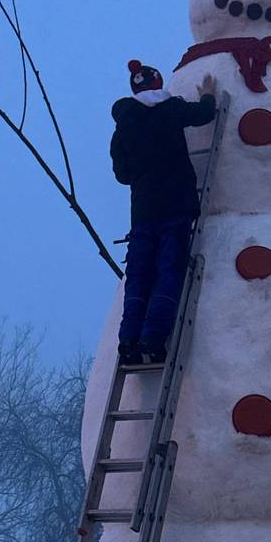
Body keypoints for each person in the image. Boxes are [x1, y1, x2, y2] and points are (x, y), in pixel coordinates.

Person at [111, 59, 217, 364]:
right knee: (169, 271)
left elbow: (121, 173)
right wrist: (208, 94)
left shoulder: (124, 125)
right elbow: (204, 113)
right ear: (158, 84)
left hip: (143, 212)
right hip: (176, 207)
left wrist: (143, 172)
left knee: (139, 275)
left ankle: (129, 341)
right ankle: (153, 339)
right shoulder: (171, 110)